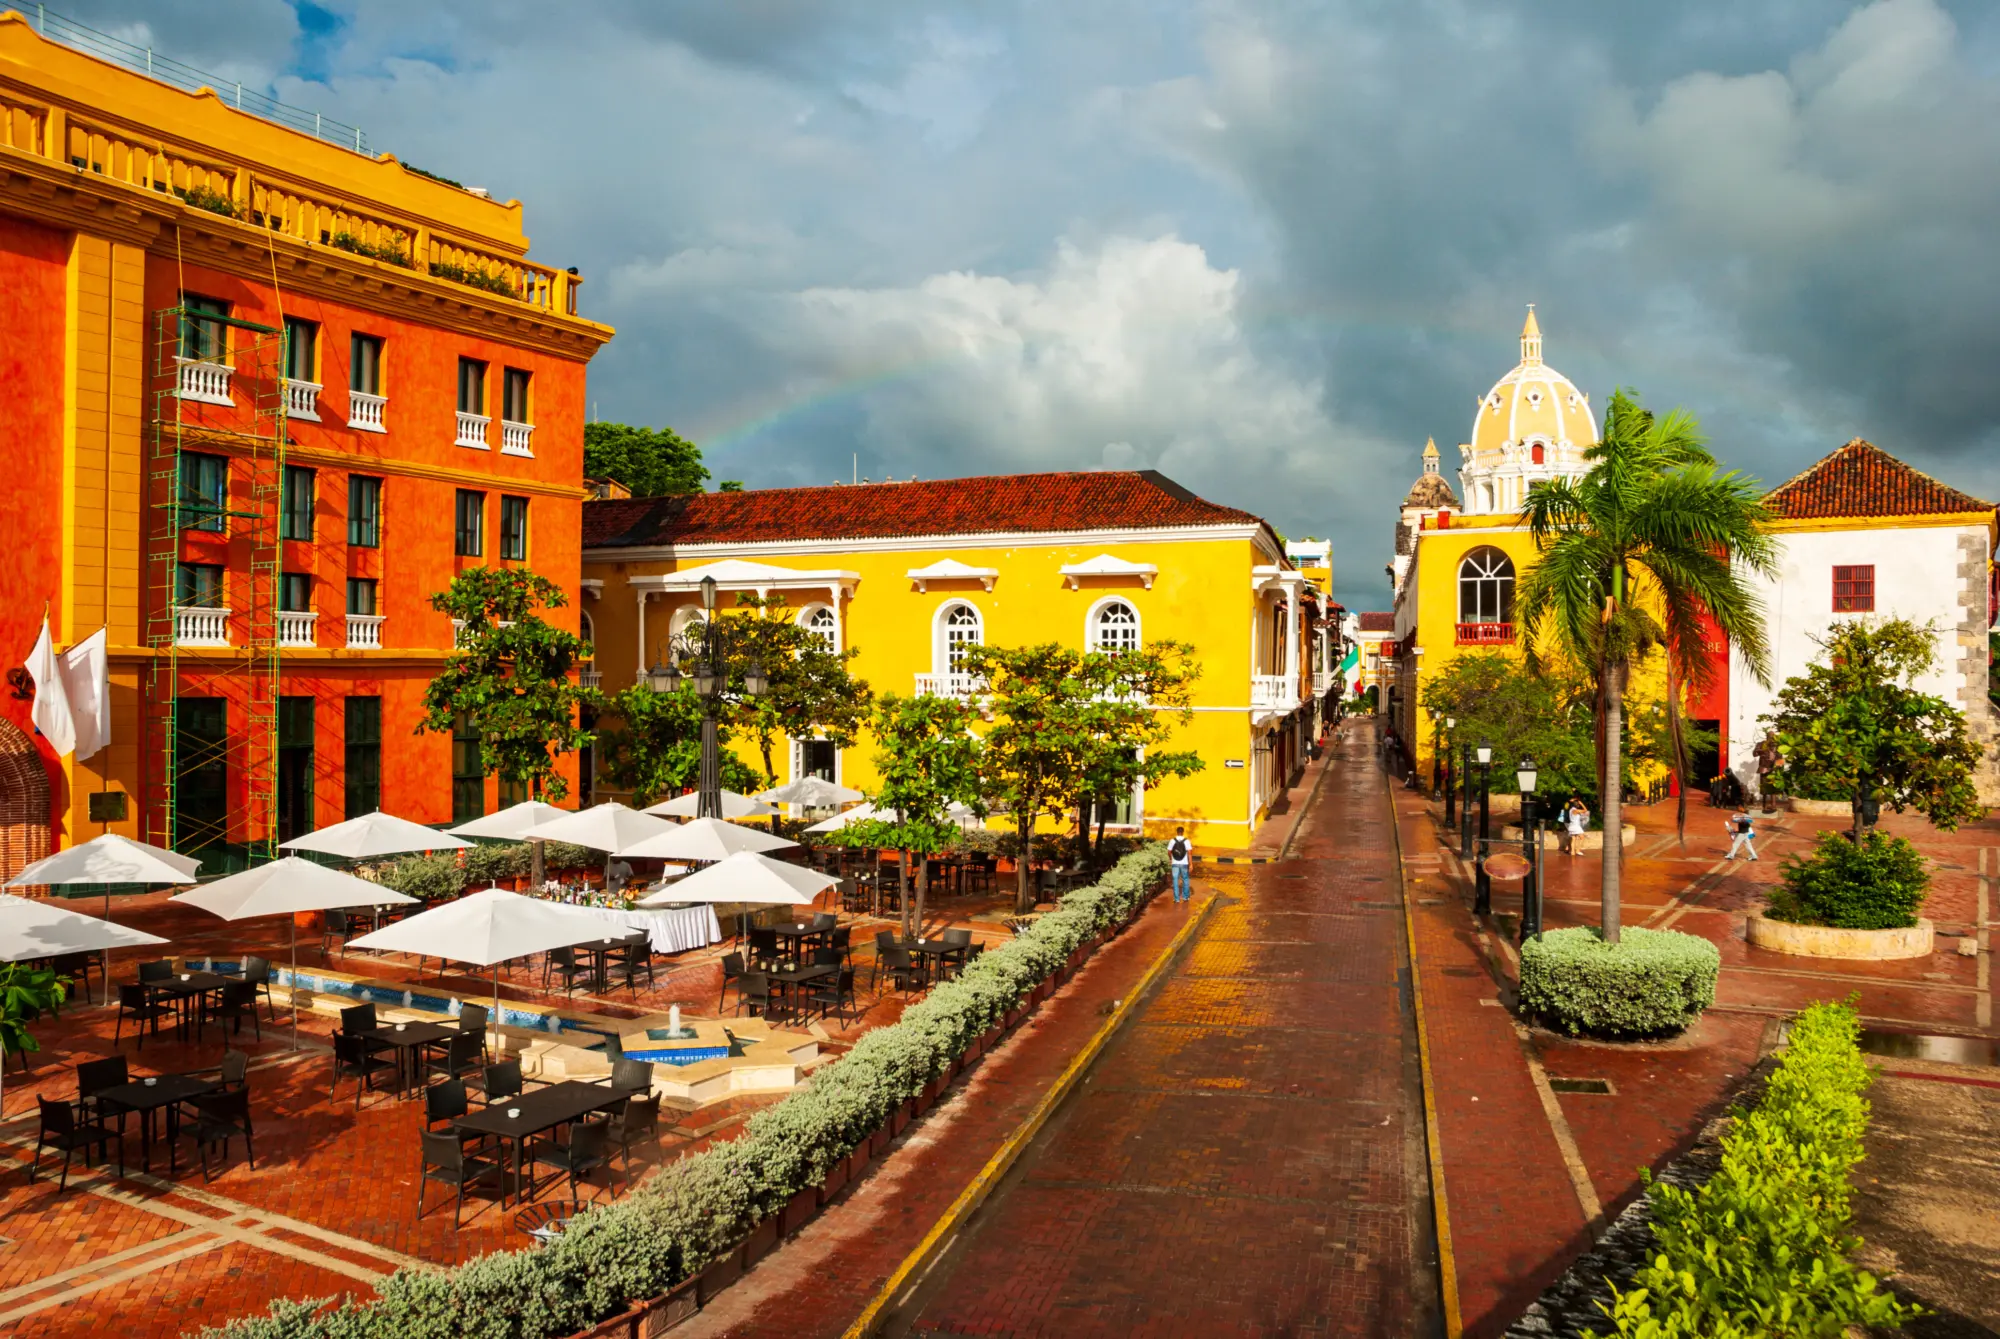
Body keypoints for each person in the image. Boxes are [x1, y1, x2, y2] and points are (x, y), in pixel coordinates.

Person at [1168, 827, 1193, 904]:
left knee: (1175, 880)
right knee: (1185, 879)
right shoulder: (1187, 841)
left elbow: (1169, 851)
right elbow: (1189, 853)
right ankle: (1185, 897)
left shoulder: (1172, 840)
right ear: (1183, 832)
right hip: (1184, 863)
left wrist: (1171, 859)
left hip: (1175, 863)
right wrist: (1191, 864)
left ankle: (1177, 899)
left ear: (1177, 832)